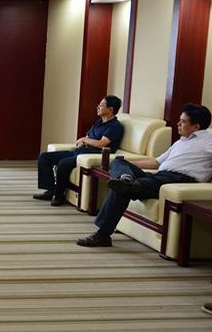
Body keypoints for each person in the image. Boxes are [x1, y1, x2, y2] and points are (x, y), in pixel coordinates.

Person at [77, 103, 212, 247]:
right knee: (118, 162)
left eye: (183, 121)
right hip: (159, 176)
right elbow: (156, 162)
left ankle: (103, 235)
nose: (178, 124)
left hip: (177, 181)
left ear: (196, 127)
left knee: (122, 188)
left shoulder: (208, 140)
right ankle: (126, 179)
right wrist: (126, 166)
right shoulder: (181, 142)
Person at [34, 95, 124, 206]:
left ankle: (58, 196)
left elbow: (101, 143)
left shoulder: (115, 126)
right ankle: (50, 190)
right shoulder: (98, 123)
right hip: (80, 151)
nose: (97, 107)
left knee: (64, 163)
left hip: (91, 154)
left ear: (110, 109)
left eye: (101, 105)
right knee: (44, 157)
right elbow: (88, 136)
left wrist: (85, 140)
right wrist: (84, 141)